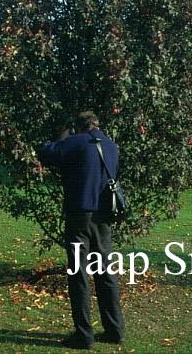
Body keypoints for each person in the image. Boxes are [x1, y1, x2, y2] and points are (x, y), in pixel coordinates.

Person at [38, 110, 125, 350]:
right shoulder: (111, 146)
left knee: (79, 274)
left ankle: (84, 334)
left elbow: (46, 153)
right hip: (103, 215)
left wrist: (60, 137)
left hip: (79, 215)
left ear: (78, 126)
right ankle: (114, 329)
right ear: (96, 124)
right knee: (105, 272)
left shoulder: (75, 142)